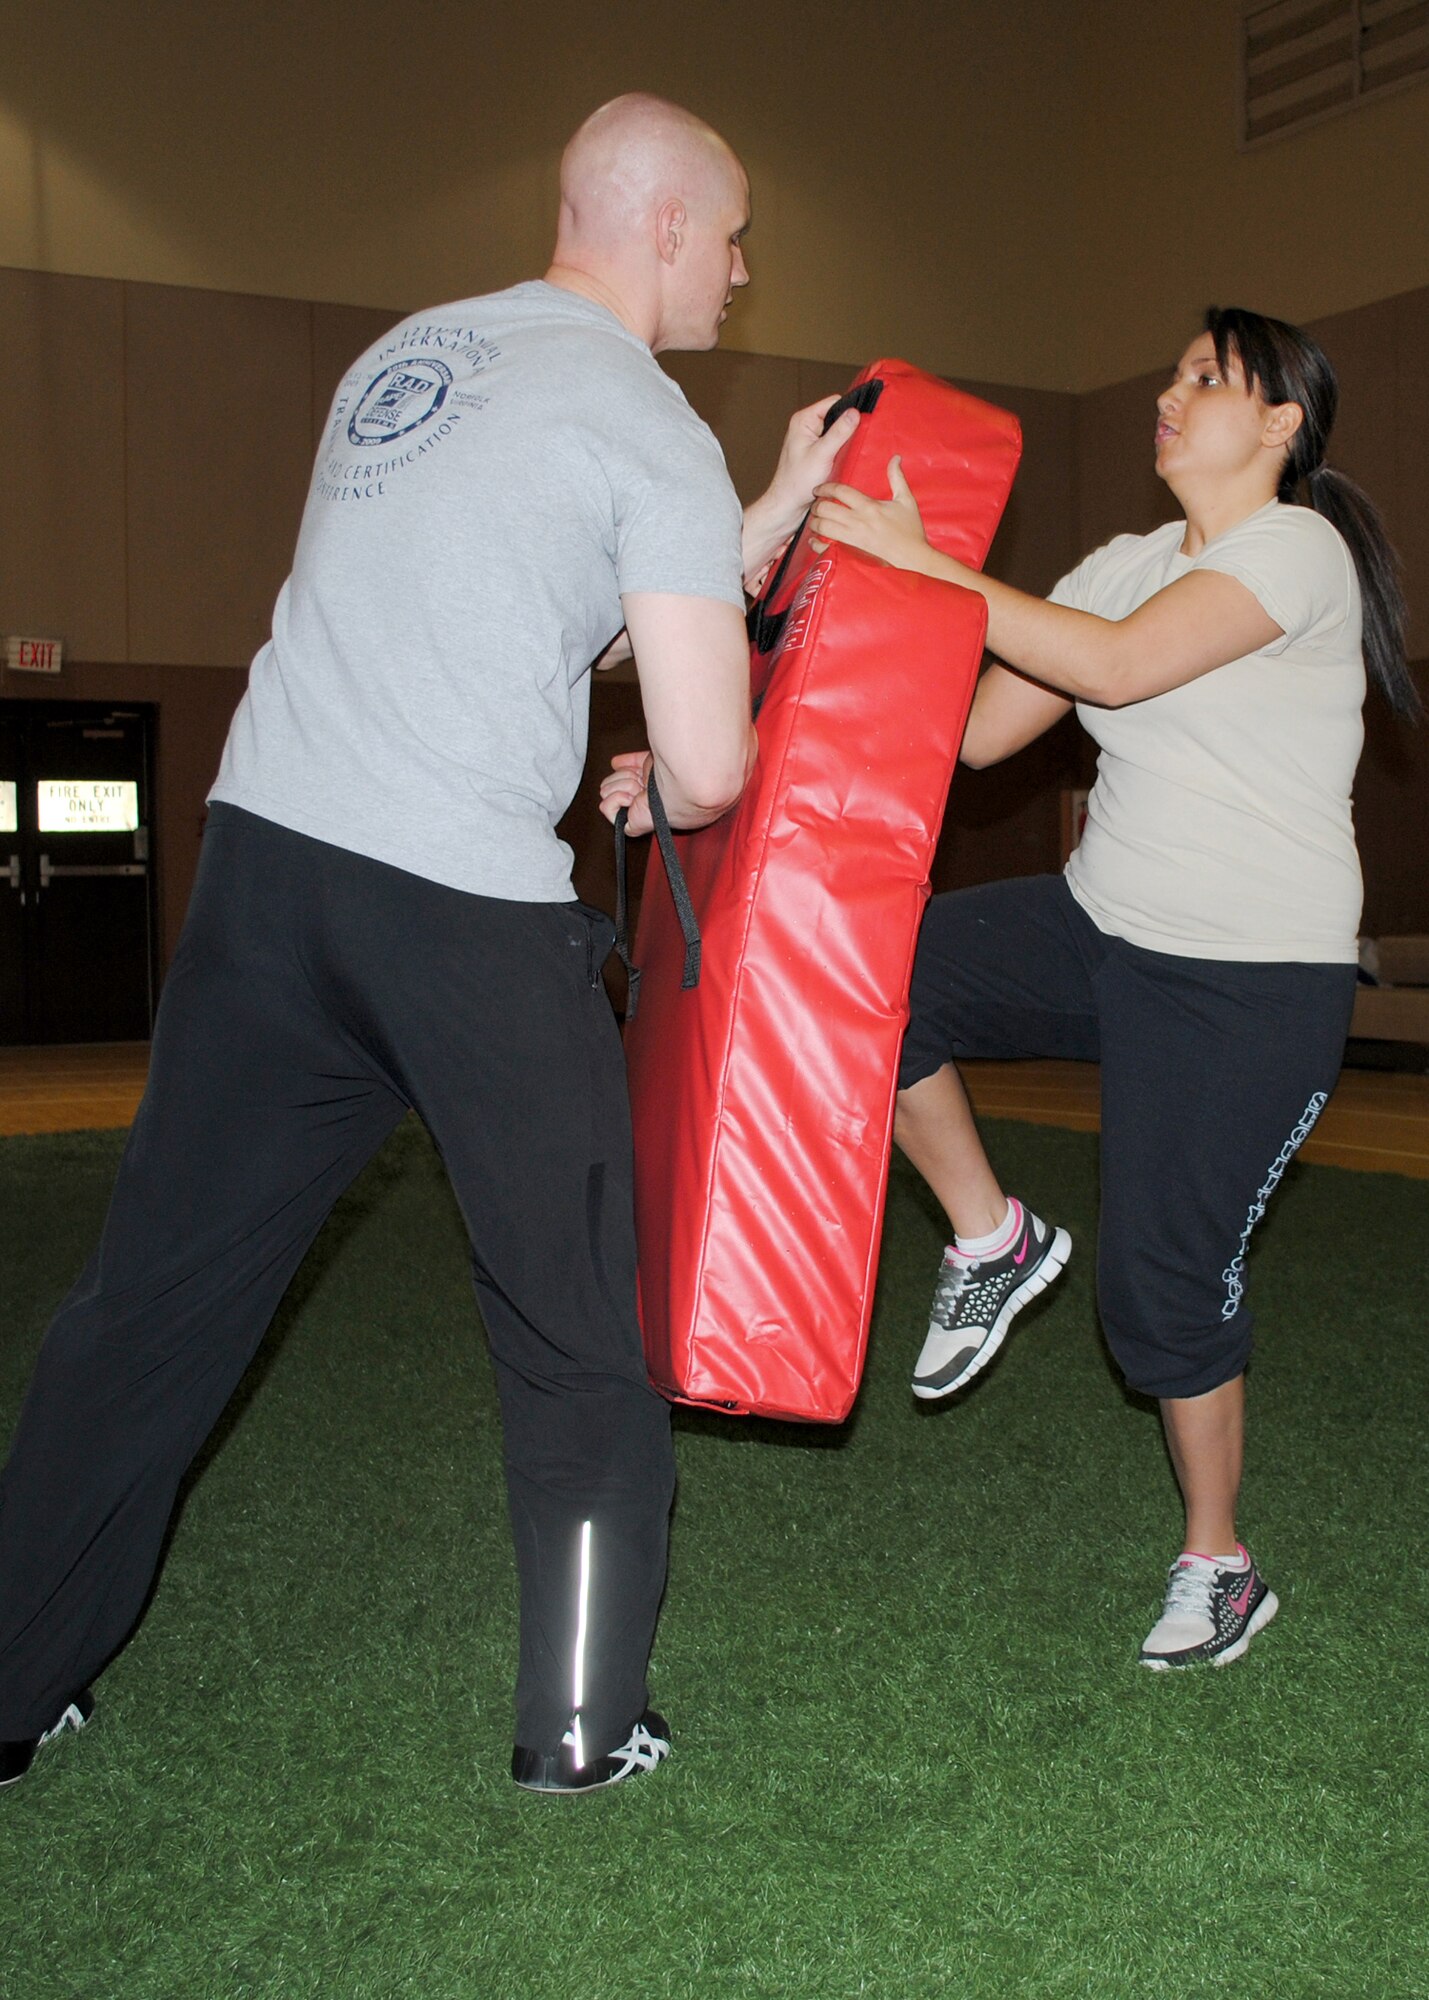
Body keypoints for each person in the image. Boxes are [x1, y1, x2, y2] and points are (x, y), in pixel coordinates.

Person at [0, 93, 858, 1793]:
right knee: (569, 1332)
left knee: (148, 1308)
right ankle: (581, 1728)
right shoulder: (643, 417)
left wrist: (746, 523)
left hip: (262, 877)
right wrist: (735, 663)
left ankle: (17, 1674)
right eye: (738, 236)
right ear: (671, 227)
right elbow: (697, 764)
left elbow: (510, 605)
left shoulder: (407, 359)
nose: (746, 274)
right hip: (458, 917)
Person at [810, 306, 1415, 1670]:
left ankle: (1219, 1562)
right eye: (1174, 368)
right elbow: (978, 737)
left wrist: (929, 564)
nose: (1169, 390)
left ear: (1277, 424)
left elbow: (1121, 665)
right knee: (874, 970)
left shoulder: (1295, 551)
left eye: (1209, 378)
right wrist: (903, 589)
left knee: (1157, 1296)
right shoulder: (1124, 559)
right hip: (1103, 928)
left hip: (1249, 986)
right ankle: (988, 1235)